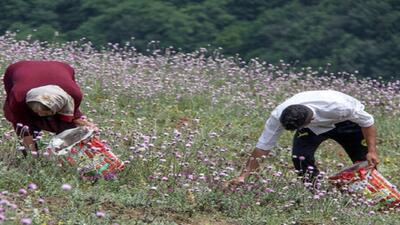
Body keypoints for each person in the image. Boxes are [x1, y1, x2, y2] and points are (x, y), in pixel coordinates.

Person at [227, 90, 379, 186]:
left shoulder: (340, 106)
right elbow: (263, 147)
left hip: (345, 123)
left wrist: (372, 151)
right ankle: (314, 189)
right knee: (299, 157)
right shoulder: (278, 116)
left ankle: (370, 189)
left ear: (310, 120)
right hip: (312, 129)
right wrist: (243, 176)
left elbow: (367, 122)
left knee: (365, 161)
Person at [3, 60, 96, 155]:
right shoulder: (18, 98)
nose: (39, 114)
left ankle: (67, 153)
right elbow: (21, 125)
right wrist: (32, 154)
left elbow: (73, 113)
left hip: (61, 68)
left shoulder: (74, 95)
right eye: (36, 112)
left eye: (47, 113)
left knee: (67, 126)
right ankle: (33, 150)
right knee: (26, 121)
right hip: (18, 69)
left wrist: (87, 126)